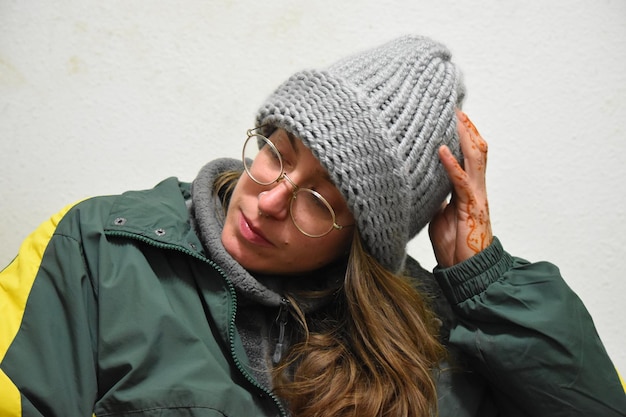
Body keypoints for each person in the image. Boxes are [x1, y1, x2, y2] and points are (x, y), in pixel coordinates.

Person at [0, 35, 624, 417]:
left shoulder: (435, 337)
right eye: (278, 150)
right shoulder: (100, 248)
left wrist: (484, 280)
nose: (269, 199)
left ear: (364, 244)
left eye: (321, 204)